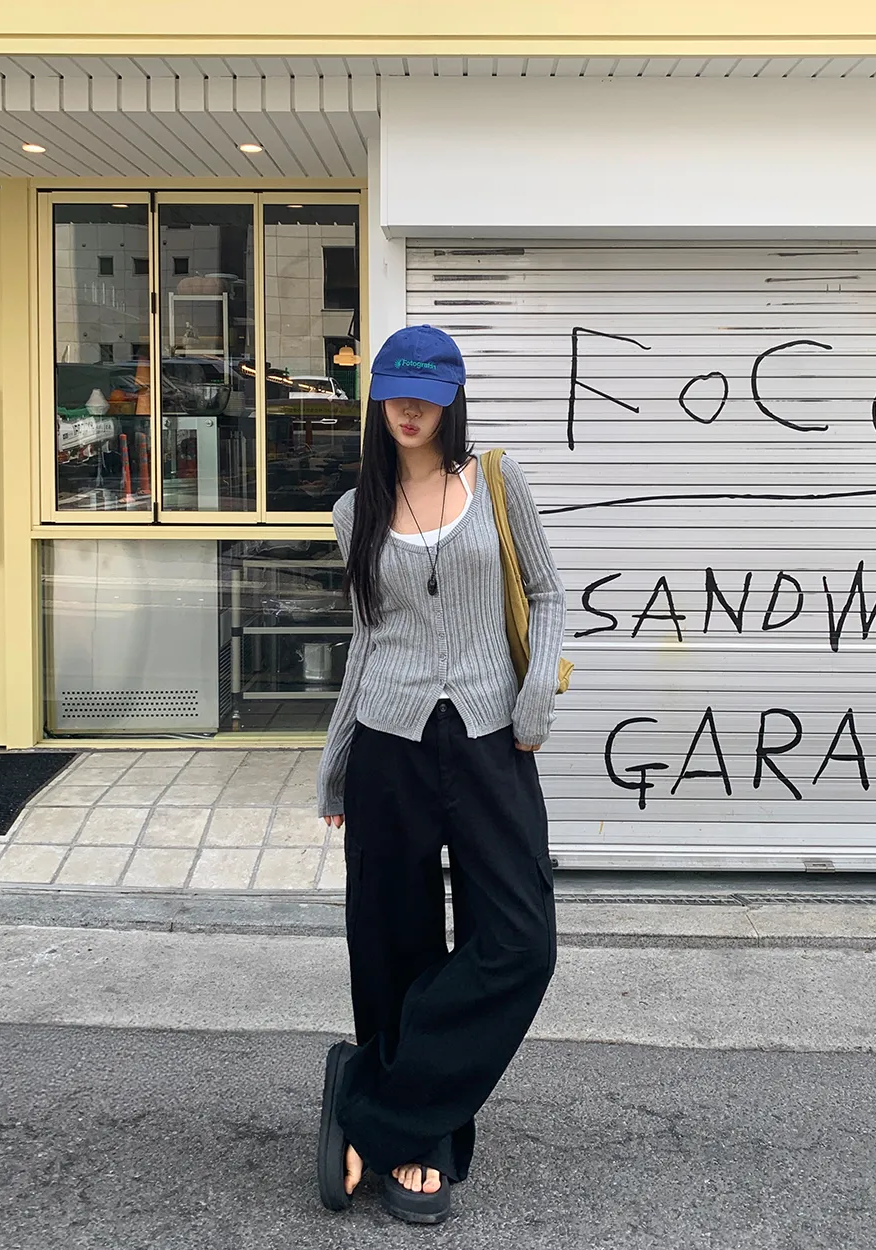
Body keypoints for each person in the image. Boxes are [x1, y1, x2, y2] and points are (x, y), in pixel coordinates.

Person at [315, 324, 566, 1225]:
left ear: (453, 398)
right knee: (392, 941)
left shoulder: (496, 482)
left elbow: (548, 596)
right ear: (377, 398)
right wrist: (336, 764)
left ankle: (371, 1101)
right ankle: (421, 1143)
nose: (410, 407)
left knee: (520, 942)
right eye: (395, 390)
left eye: (427, 392)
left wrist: (534, 706)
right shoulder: (354, 510)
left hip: (493, 740)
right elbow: (365, 641)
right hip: (389, 743)